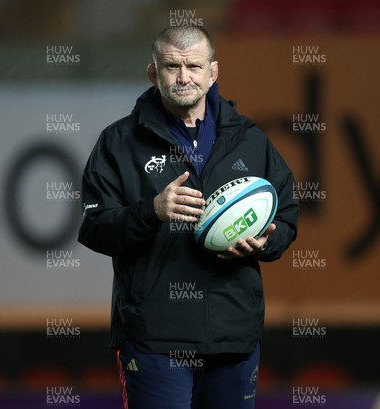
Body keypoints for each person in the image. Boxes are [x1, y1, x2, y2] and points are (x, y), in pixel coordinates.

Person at [79, 25, 298, 409]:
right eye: (171, 66)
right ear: (153, 73)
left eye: (194, 66)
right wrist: (152, 211)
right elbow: (95, 227)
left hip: (233, 333)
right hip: (155, 337)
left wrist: (267, 241)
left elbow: (288, 216)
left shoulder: (249, 138)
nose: (183, 77)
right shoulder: (118, 142)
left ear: (212, 72)